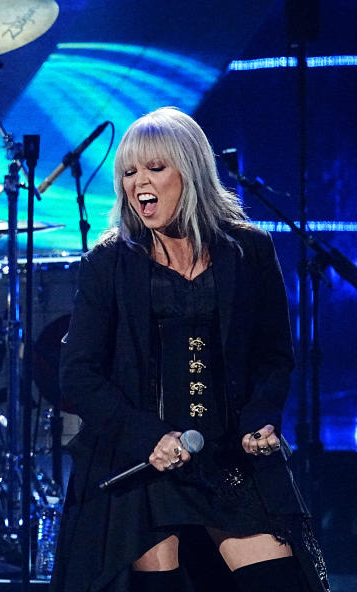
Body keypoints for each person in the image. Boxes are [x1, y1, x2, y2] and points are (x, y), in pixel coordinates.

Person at [49, 108, 329, 592]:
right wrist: (147, 437)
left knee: (282, 581)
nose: (140, 183)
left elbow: (273, 357)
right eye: (130, 172)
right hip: (141, 461)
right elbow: (78, 374)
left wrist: (259, 419)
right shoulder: (109, 262)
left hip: (228, 457)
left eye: (155, 168)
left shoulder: (248, 250)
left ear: (192, 170)